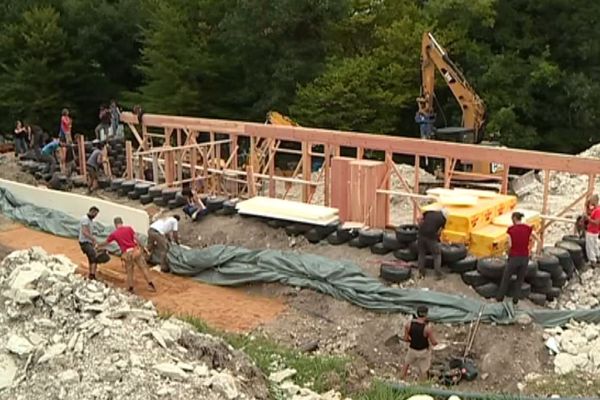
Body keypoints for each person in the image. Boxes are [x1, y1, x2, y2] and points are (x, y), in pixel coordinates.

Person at [98, 217, 156, 293]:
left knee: (129, 271)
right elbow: (136, 238)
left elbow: (106, 242)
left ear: (115, 224)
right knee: (143, 268)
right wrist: (142, 247)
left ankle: (131, 288)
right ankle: (151, 285)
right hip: (135, 251)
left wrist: (98, 245)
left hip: (127, 254)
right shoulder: (129, 228)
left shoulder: (114, 234)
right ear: (122, 222)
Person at [497, 212, 542, 304]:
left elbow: (510, 245)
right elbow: (538, 239)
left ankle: (500, 298)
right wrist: (536, 252)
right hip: (525, 258)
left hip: (514, 257)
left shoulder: (511, 229)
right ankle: (515, 301)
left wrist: (507, 252)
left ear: (514, 218)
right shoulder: (528, 228)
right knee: (519, 280)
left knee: (506, 278)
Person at [401, 305, 437, 381]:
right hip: (423, 351)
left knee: (406, 364)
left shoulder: (409, 324)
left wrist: (411, 340)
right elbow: (434, 342)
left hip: (412, 349)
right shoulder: (427, 328)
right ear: (426, 315)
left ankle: (401, 379)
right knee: (424, 369)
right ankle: (422, 385)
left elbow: (405, 338)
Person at [417, 208, 448, 279]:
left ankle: (421, 273)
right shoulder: (443, 219)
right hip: (431, 237)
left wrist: (420, 226)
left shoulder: (430, 212)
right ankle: (438, 274)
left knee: (421, 253)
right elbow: (439, 231)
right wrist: (438, 238)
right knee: (437, 254)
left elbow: (419, 218)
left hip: (421, 234)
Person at [79, 206, 99, 280]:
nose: (95, 216)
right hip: (84, 242)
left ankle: (91, 273)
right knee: (93, 257)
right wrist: (93, 239)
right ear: (92, 212)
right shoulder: (85, 219)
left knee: (91, 257)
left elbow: (90, 232)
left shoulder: (91, 221)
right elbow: (85, 232)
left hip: (88, 242)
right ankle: (92, 275)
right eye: (95, 214)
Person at [585, 200, 600, 267]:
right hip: (595, 231)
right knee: (595, 245)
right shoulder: (597, 210)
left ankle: (592, 260)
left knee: (590, 246)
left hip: (591, 231)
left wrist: (588, 219)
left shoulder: (597, 211)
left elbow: (597, 222)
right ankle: (597, 257)